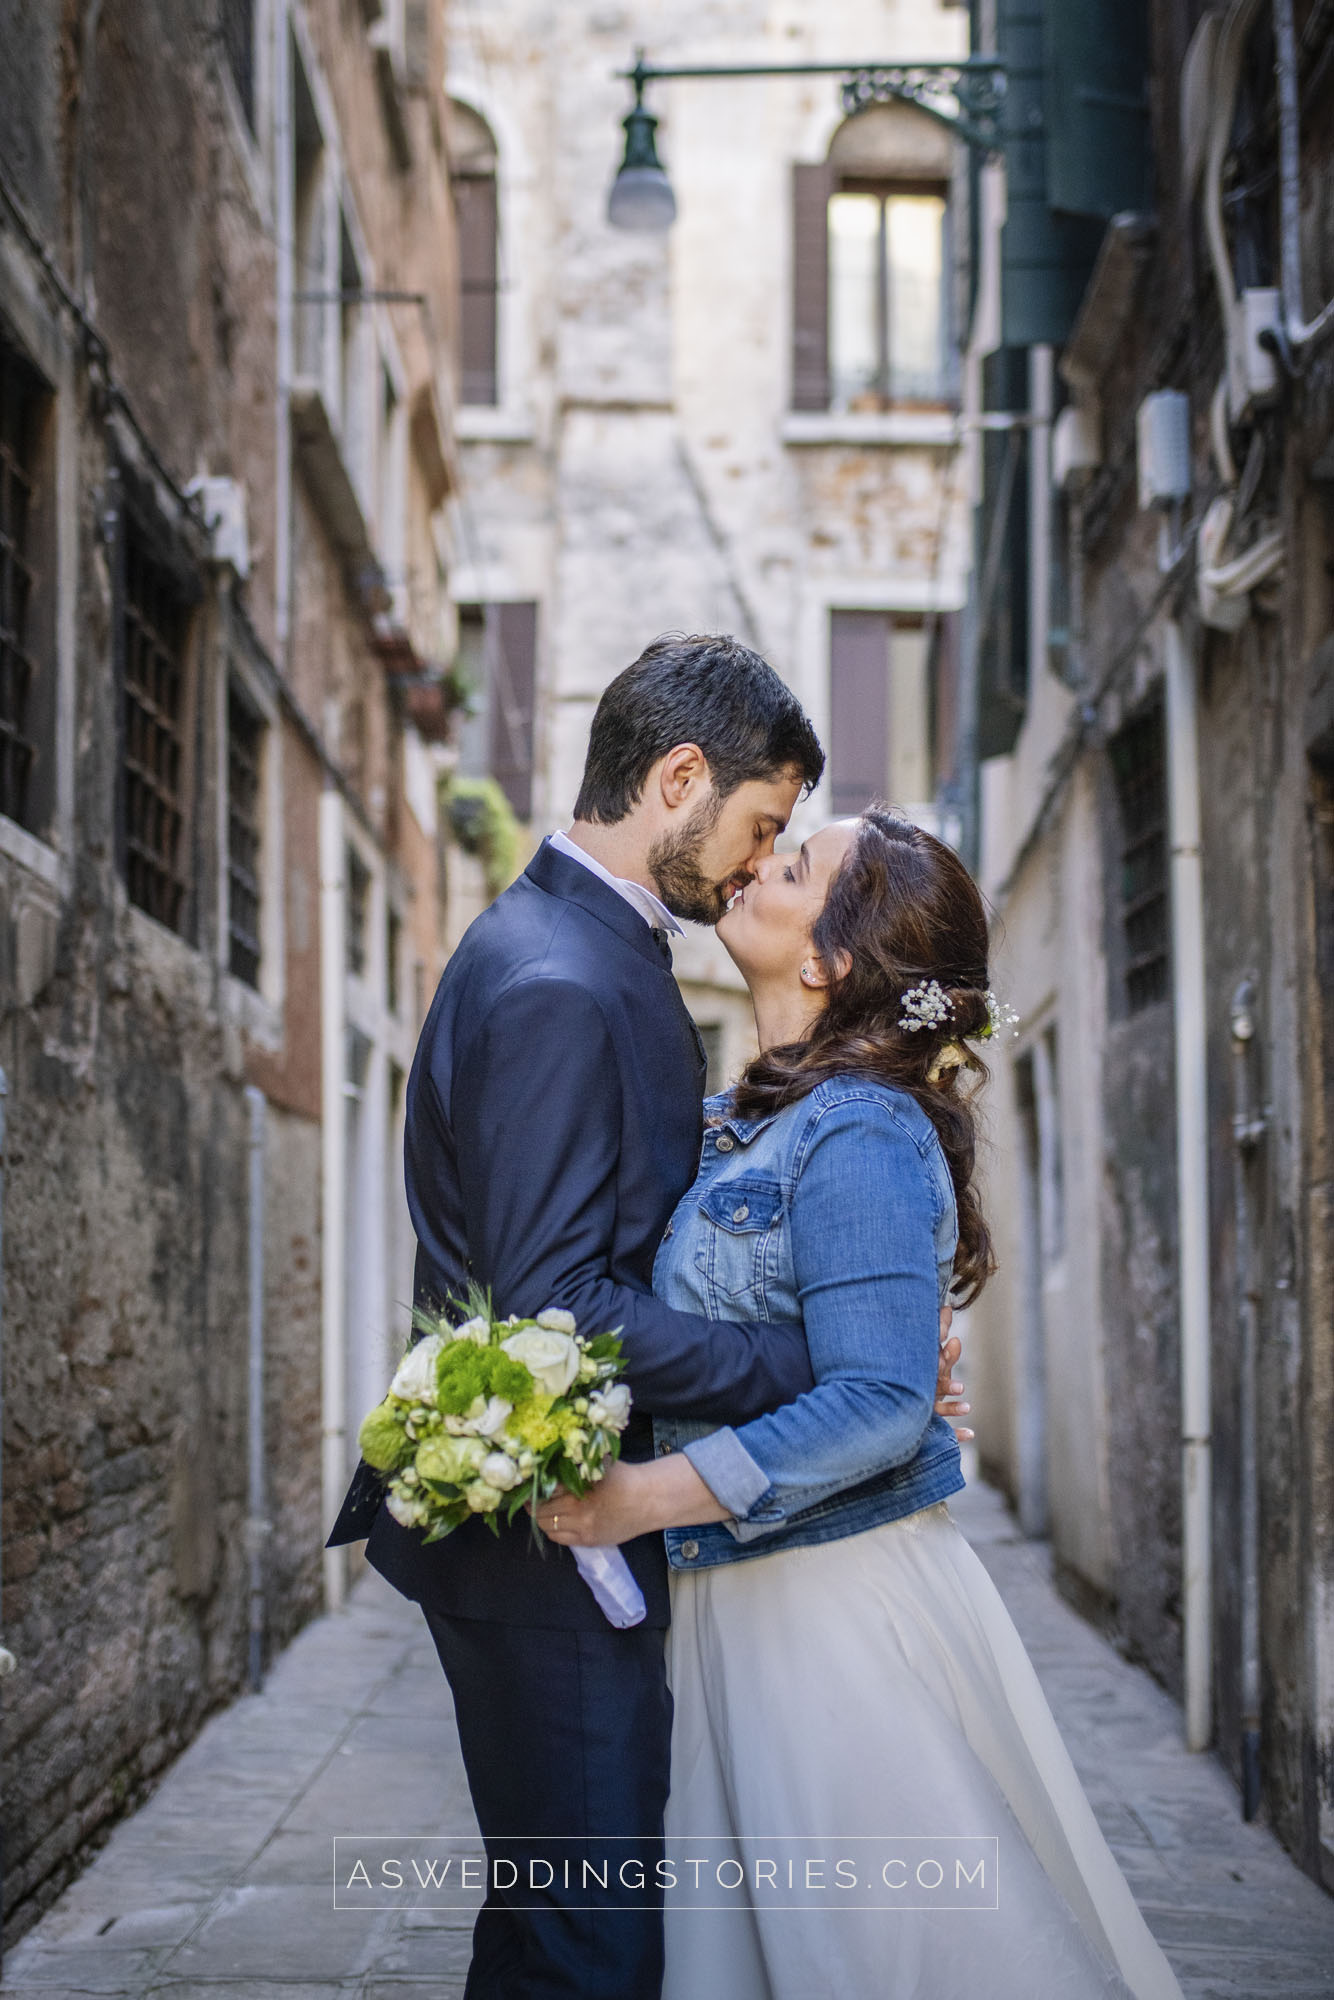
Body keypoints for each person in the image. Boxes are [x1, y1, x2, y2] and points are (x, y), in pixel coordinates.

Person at [325, 639, 969, 2000]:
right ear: (678, 778)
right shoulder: (565, 978)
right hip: (549, 1552)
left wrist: (875, 1350)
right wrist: (802, 1368)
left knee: (561, 1935)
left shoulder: (596, 956)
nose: (752, 862)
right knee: (588, 1953)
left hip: (599, 1541)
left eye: (782, 848)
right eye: (757, 828)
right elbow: (563, 1299)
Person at [535, 809, 1185, 2000]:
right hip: (750, 1593)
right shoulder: (743, 1121)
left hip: (831, 1608)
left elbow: (880, 1402)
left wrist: (640, 1496)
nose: (749, 865)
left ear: (830, 958)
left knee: (879, 1953)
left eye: (788, 864)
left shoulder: (864, 1130)